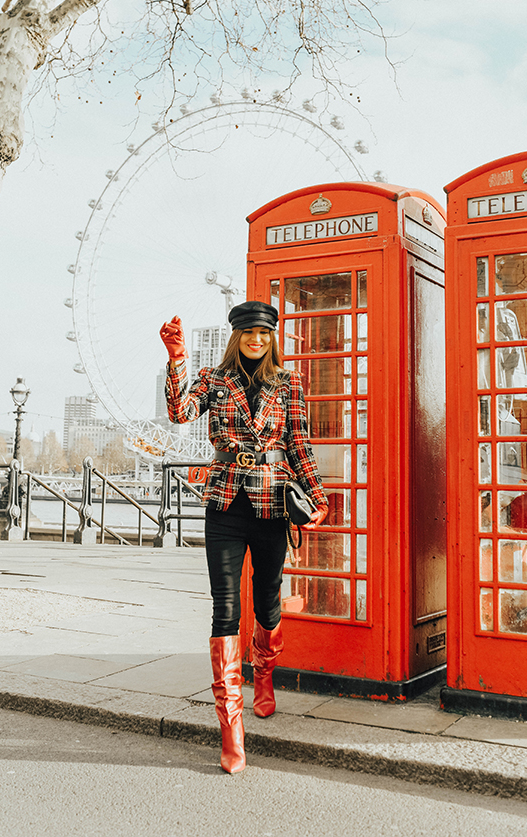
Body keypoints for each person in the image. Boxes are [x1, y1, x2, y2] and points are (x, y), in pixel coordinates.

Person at [160, 301, 328, 774]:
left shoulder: (289, 382)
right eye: (249, 332)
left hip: (273, 505)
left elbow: (299, 443)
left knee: (268, 602)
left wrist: (317, 497)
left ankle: (266, 675)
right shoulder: (216, 379)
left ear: (273, 336)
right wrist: (177, 359)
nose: (257, 339)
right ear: (237, 336)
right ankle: (231, 730)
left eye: (264, 332)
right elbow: (179, 412)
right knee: (226, 609)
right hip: (226, 503)